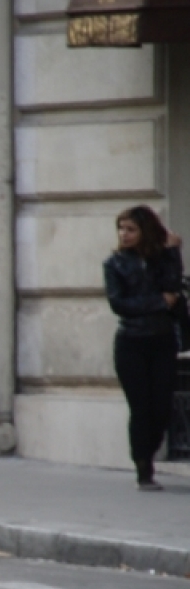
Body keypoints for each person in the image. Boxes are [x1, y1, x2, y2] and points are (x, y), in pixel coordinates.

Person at [102, 205, 184, 491]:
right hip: (131, 343)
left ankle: (147, 453)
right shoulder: (115, 264)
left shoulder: (162, 259)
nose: (124, 235)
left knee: (161, 407)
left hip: (162, 341)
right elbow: (119, 304)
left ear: (145, 231)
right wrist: (159, 302)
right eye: (121, 229)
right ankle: (143, 468)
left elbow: (174, 289)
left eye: (131, 229)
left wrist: (174, 252)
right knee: (141, 408)